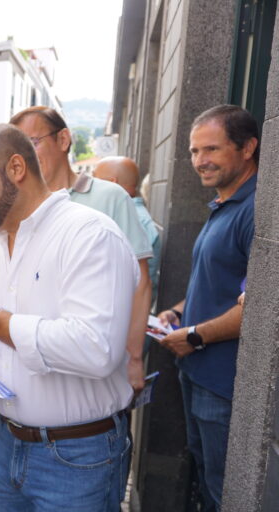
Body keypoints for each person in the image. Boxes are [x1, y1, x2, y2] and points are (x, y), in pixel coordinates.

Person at [0, 123, 138, 510]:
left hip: (76, 457)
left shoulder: (89, 235)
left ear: (16, 168)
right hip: (4, 442)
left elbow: (96, 349)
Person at [156, 105, 258, 511]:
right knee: (204, 478)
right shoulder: (223, 202)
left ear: (248, 147)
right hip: (197, 372)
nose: (200, 161)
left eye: (211, 149)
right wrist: (179, 312)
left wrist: (196, 337)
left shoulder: (257, 211)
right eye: (194, 151)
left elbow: (261, 306)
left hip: (222, 382)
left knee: (222, 491)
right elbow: (217, 281)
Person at [10, 107, 153, 393]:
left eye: (32, 143)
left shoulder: (110, 196)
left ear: (63, 140)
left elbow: (141, 283)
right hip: (40, 369)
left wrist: (134, 358)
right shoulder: (21, 207)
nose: (24, 158)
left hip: (99, 372)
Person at [94, 156, 161, 302]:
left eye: (94, 180)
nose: (90, 186)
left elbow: (139, 281)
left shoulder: (133, 218)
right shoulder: (133, 214)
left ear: (112, 184)